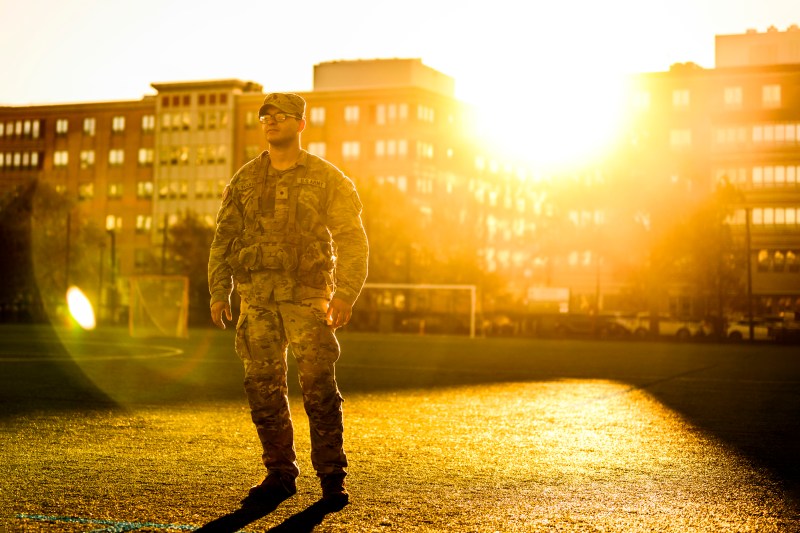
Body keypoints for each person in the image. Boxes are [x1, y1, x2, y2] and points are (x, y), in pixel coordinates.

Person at [208, 92, 368, 507]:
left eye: (282, 116)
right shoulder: (243, 179)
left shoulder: (327, 178)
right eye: (266, 117)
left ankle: (332, 477)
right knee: (262, 388)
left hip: (307, 298)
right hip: (256, 300)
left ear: (300, 124)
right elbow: (223, 238)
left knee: (318, 387)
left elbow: (352, 239)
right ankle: (279, 473)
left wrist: (347, 292)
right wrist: (218, 289)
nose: (272, 122)